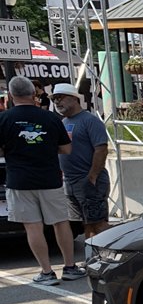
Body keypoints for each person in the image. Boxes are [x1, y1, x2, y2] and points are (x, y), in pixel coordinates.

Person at [0, 75, 80, 285]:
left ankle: (46, 272)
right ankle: (70, 267)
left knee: (32, 227)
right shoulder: (51, 118)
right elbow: (66, 148)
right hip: (50, 178)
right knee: (61, 223)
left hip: (19, 180)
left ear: (11, 95)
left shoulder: (4, 119)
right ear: (34, 93)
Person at [51, 82, 111, 240]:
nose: (57, 102)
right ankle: (94, 259)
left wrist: (92, 177)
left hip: (88, 180)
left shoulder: (90, 120)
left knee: (98, 223)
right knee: (87, 224)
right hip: (70, 182)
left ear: (74, 99)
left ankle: (122, 254)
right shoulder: (63, 123)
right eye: (54, 98)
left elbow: (101, 149)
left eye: (60, 97)